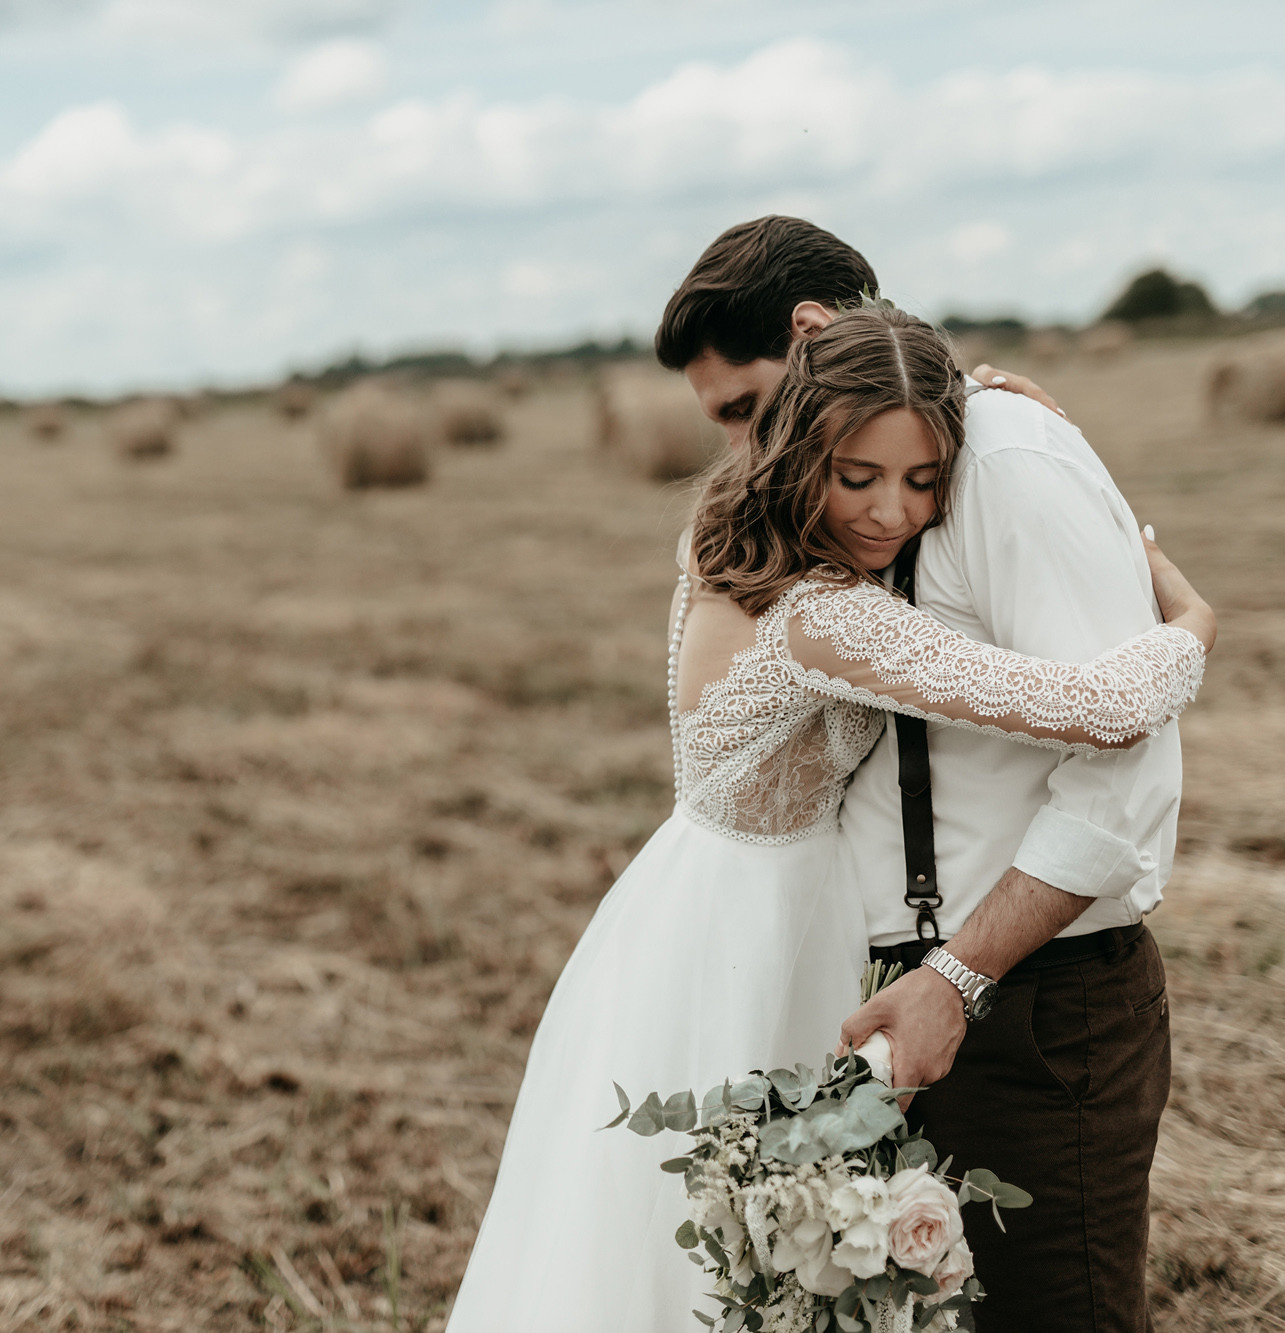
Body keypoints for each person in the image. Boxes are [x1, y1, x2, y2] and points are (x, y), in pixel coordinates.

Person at [442, 301, 1215, 1330]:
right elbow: (1099, 708)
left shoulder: (716, 547)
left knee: (733, 1262)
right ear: (802, 445)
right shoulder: (821, 616)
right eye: (857, 476)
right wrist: (1193, 621)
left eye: (923, 479)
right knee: (721, 1268)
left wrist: (1003, 420)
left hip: (706, 917)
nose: (891, 512)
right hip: (754, 946)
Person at [660, 216, 1193, 1332]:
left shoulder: (998, 458)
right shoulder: (804, 581)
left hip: (1018, 998)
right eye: (860, 472)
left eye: (745, 413)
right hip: (853, 1002)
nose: (746, 452)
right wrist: (1190, 619)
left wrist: (1184, 618)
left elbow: (1114, 758)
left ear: (810, 334)